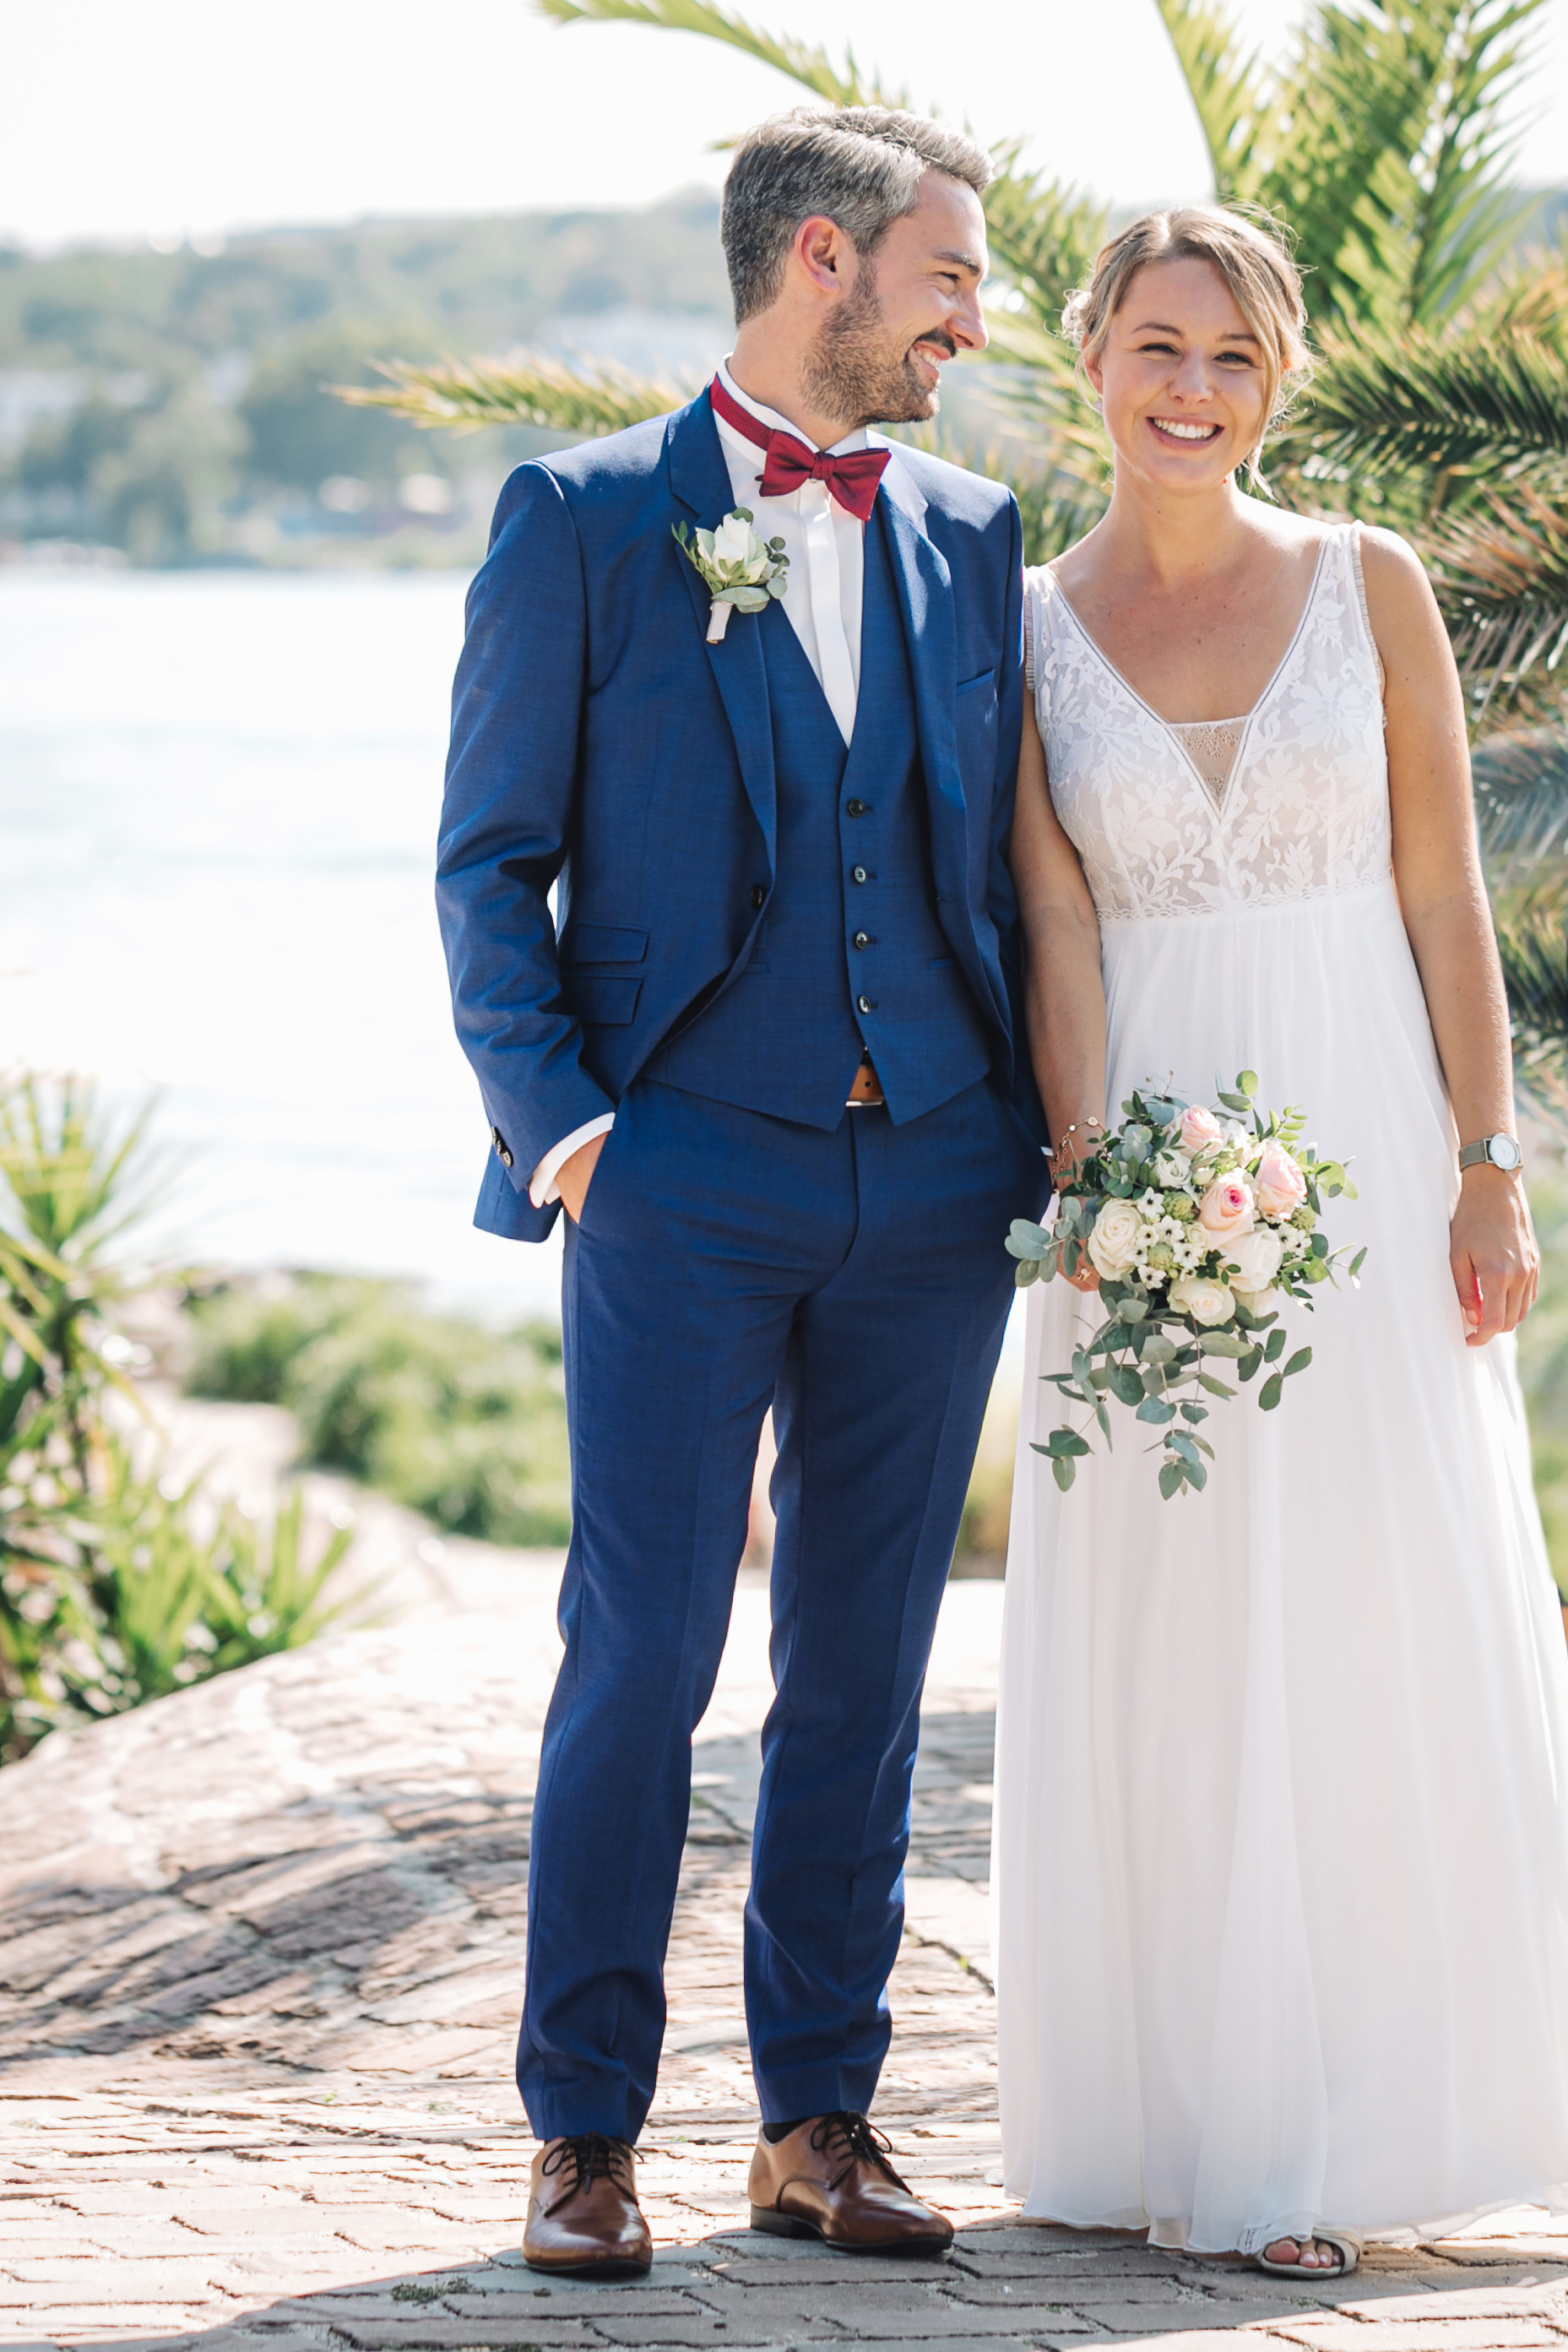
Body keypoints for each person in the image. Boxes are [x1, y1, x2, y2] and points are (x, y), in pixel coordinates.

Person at [437, 105, 1049, 2275]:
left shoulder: (971, 529)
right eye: (949, 278)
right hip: (677, 1181)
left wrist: (1053, 1141)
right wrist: (571, 1134)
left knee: (865, 1668)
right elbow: (486, 865)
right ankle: (582, 2132)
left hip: (939, 1175)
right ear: (823, 261)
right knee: (641, 1655)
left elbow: (1004, 861)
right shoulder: (584, 515)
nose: (977, 319)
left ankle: (816, 2123)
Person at [996, 204, 1568, 2278]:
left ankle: (1367, 2122)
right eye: (1156, 346)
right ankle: (1199, 2122)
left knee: (1372, 1591)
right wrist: (1086, 1185)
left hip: (1367, 1139)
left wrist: (1484, 1155)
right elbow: (1054, 917)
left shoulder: (1367, 584)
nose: (1189, 390)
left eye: (1229, 358)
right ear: (1087, 357)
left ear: (1276, 381)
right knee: (1177, 1622)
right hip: (1147, 1170)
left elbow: (1438, 899)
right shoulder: (1026, 621)